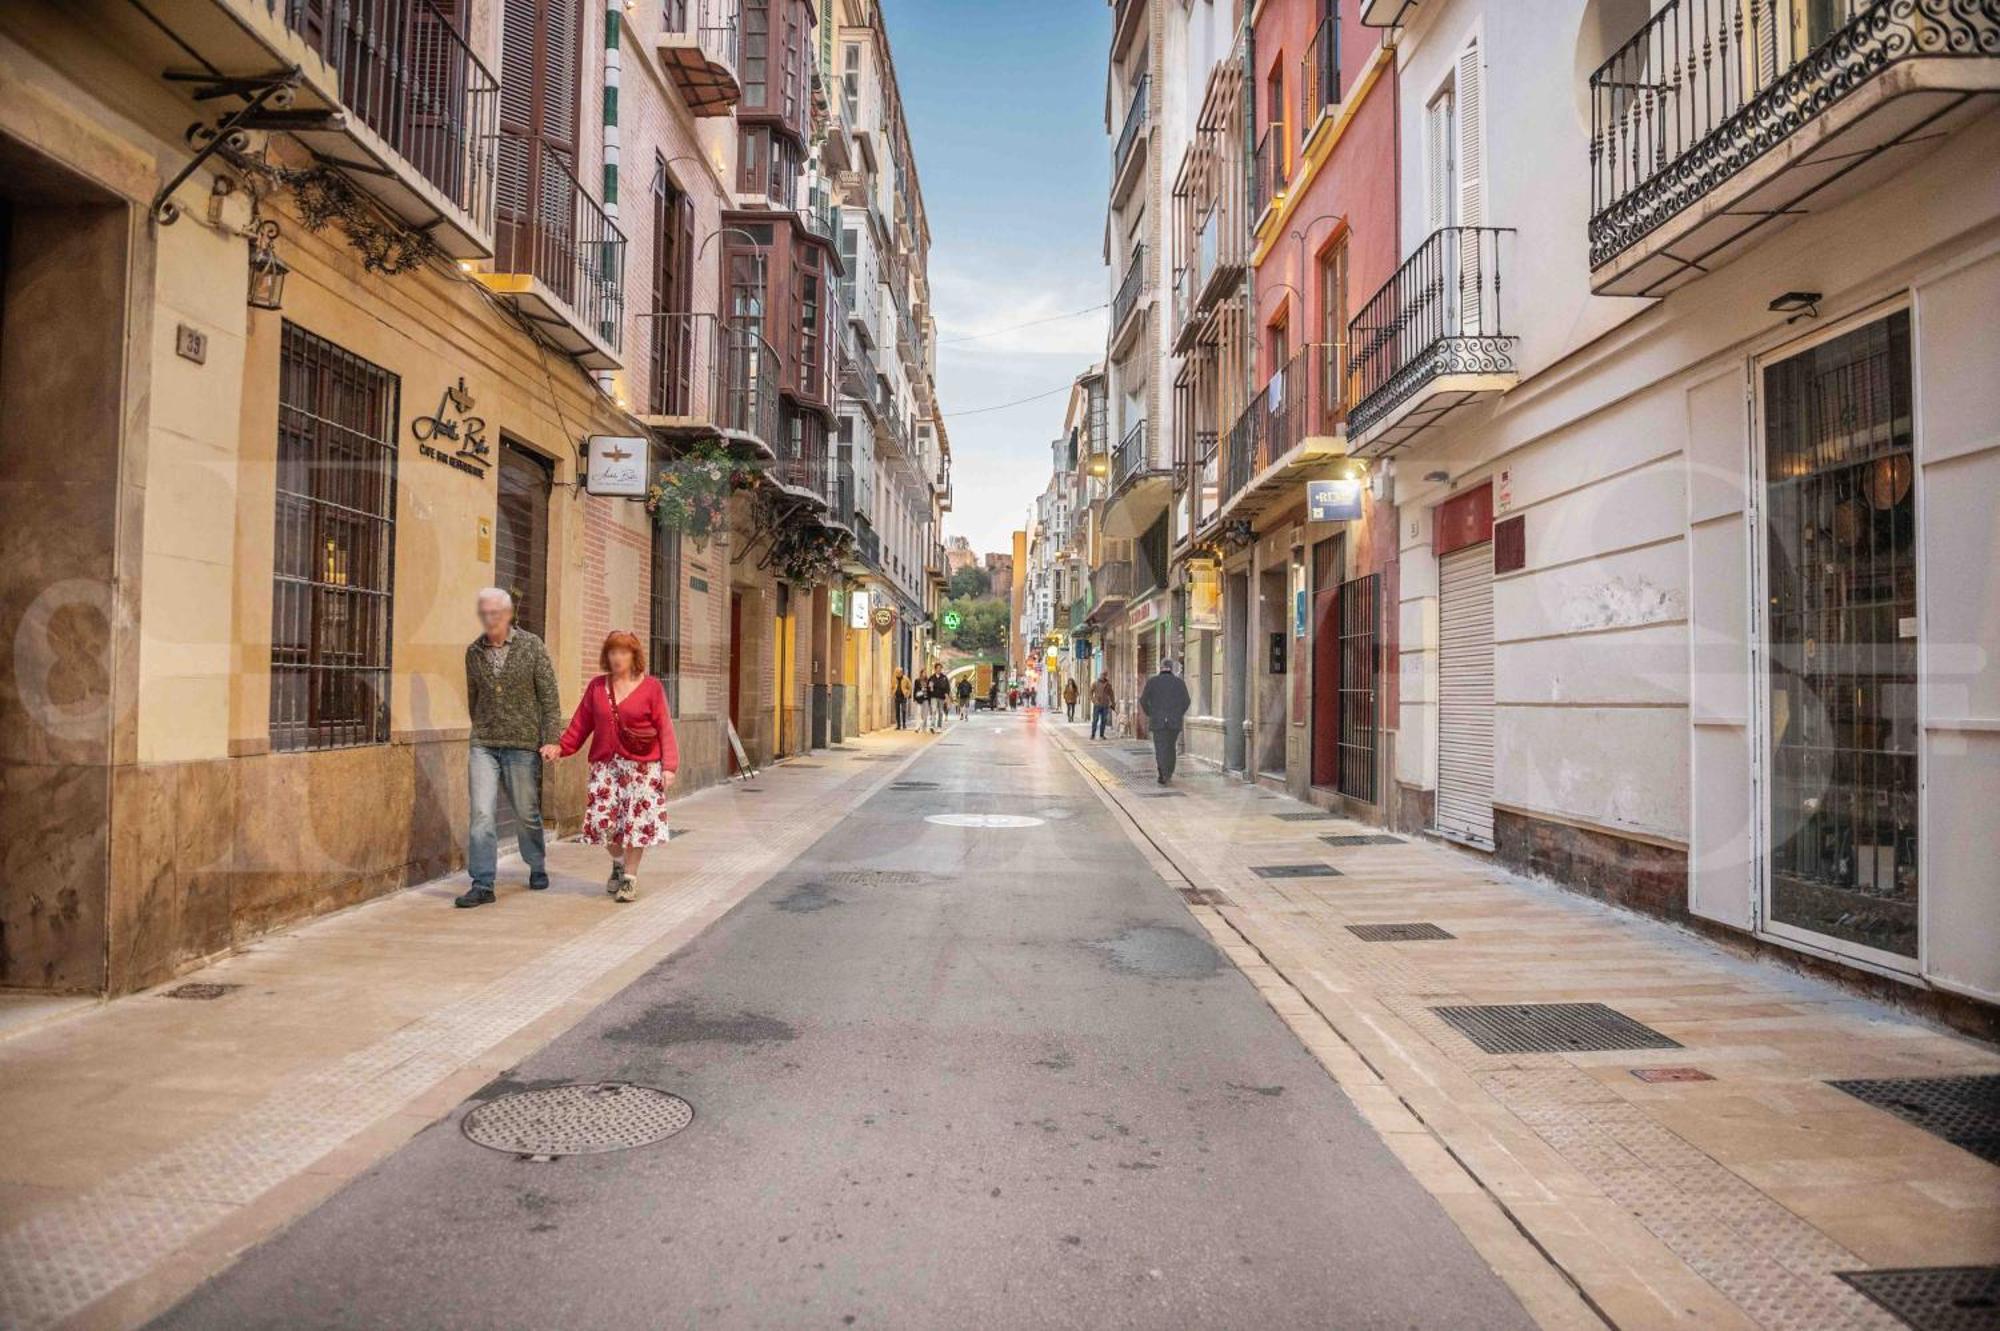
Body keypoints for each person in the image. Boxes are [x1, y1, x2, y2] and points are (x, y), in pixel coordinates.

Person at [544, 631, 678, 903]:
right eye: (612, 652)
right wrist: (560, 747)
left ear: (634, 656)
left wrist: (669, 766)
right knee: (602, 823)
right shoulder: (597, 687)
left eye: (623, 652)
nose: (617, 658)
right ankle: (618, 863)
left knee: (637, 825)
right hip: (605, 766)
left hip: (642, 767)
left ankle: (629, 878)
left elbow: (665, 727)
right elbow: (581, 725)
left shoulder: (651, 687)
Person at [458, 587, 562, 909]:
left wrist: (551, 738)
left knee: (526, 812)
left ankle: (536, 864)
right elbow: (474, 698)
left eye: (495, 613)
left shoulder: (532, 647)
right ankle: (483, 883)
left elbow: (548, 696)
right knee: (481, 814)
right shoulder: (473, 653)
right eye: (484, 613)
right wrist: (484, 727)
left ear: (508, 615)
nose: (489, 619)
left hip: (522, 743)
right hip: (485, 743)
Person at [1139, 659, 1193, 784]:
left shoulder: (1152, 682)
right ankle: (1168, 772)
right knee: (1171, 747)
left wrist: (1151, 713)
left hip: (1157, 721)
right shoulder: (1179, 683)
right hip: (1174, 722)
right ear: (1171, 668)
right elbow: (1186, 701)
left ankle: (1163, 773)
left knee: (1160, 748)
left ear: (1161, 667)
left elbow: (1143, 700)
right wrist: (1178, 714)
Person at [1089, 673, 1115, 740]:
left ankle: (1101, 735)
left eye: (1104, 675)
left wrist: (1113, 703)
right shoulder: (1095, 683)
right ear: (1100, 676)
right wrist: (1094, 700)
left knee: (1104, 720)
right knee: (1095, 720)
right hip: (1097, 705)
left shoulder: (1108, 685)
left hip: (1105, 705)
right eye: (1102, 675)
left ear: (1105, 676)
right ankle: (1093, 734)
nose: (1103, 676)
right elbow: (1090, 693)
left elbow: (1111, 695)